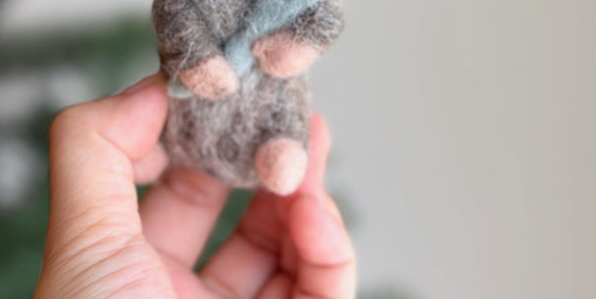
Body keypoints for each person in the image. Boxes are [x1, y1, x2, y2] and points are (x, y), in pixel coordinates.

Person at [33, 72, 356, 298]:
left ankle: (279, 153)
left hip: (256, 143)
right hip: (187, 130)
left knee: (288, 161)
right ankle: (156, 147)